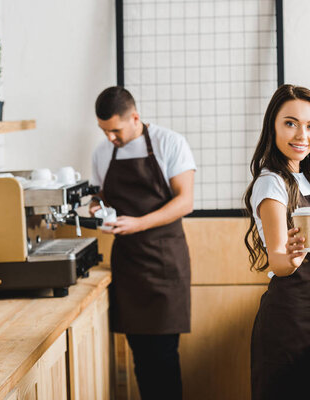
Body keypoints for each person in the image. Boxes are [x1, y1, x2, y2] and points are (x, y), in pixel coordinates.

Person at [243, 84, 310, 400]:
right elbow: (278, 260)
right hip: (290, 327)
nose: (301, 134)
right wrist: (290, 257)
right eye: (290, 123)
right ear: (272, 127)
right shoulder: (271, 183)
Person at [90, 86, 196, 400]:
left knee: (164, 356)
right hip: (129, 265)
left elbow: (185, 202)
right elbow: (99, 196)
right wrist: (97, 209)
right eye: (104, 131)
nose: (110, 138)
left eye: (115, 130)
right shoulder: (102, 152)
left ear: (135, 118)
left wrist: (138, 223)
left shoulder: (170, 143)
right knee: (141, 357)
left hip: (165, 263)